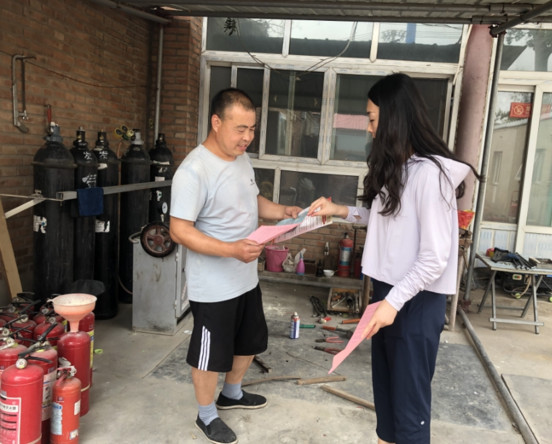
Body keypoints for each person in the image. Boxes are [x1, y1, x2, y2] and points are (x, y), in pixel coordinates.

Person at [308, 73, 479, 444]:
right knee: (387, 404)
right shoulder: (400, 168)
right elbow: (386, 219)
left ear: (394, 118)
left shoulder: (430, 176)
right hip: (389, 294)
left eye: (372, 118)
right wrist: (340, 210)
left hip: (414, 302)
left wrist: (393, 303)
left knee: (408, 412)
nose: (369, 128)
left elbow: (435, 258)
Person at [170, 88, 301, 444]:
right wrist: (230, 249)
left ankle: (232, 393)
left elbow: (251, 199)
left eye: (252, 129)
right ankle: (206, 415)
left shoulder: (240, 160)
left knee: (249, 339)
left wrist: (283, 212)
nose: (247, 137)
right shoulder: (194, 171)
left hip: (245, 276)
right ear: (216, 122)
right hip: (213, 285)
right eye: (240, 128)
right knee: (210, 354)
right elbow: (179, 230)